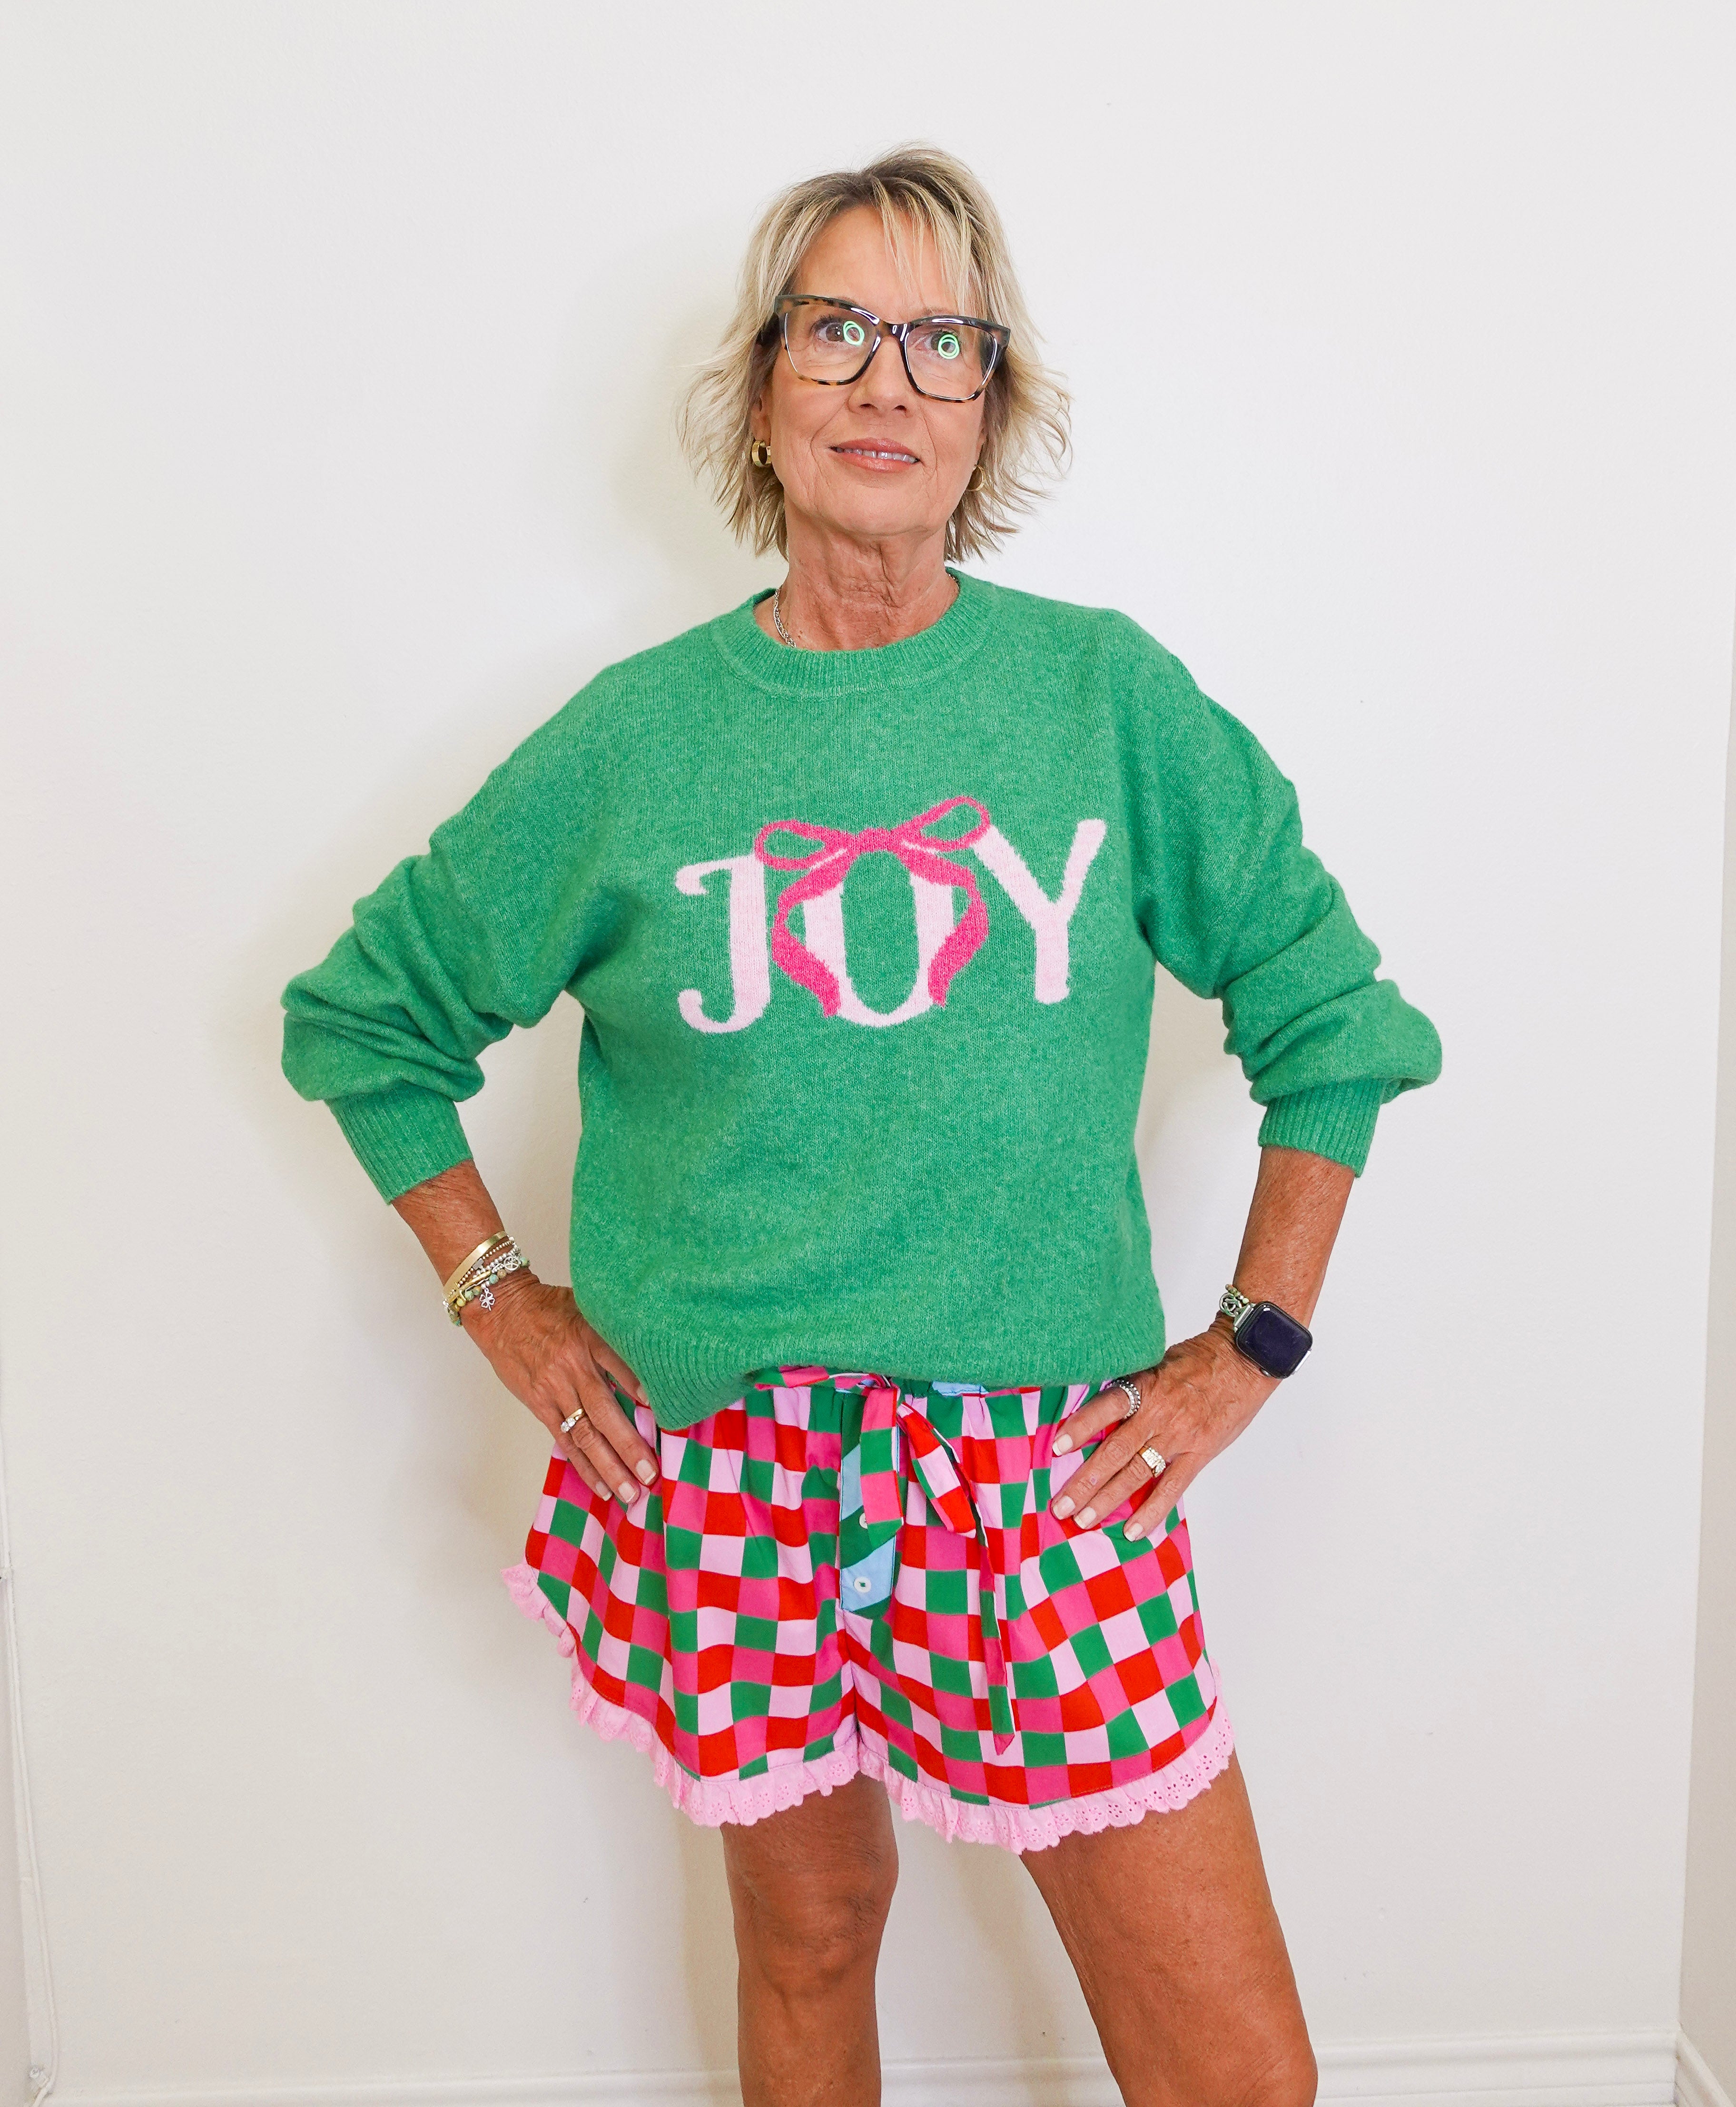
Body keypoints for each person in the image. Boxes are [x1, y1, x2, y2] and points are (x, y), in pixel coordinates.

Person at [281, 145, 1440, 2107]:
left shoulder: (1100, 700)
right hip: (727, 1470)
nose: (885, 380)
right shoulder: (636, 742)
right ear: (763, 392)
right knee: (810, 1940)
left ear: (992, 404)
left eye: (940, 339)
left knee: (1238, 2071)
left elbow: (1337, 1020)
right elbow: (364, 1024)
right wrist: (498, 1296)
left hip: (1041, 1476)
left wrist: (1252, 1342)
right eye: (836, 330)